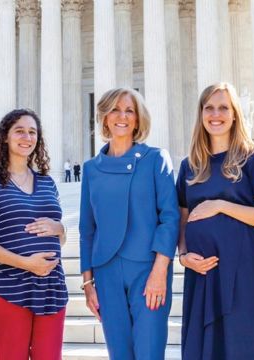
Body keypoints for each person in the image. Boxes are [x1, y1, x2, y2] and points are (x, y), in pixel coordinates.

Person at [176, 82, 254, 359]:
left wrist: (221, 206)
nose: (216, 114)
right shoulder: (189, 165)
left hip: (243, 268)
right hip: (202, 272)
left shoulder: (251, 157)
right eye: (209, 107)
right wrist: (184, 255)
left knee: (243, 342)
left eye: (223, 107)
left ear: (235, 113)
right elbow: (183, 218)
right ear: (201, 114)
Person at [79, 88, 179, 359]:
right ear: (104, 117)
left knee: (149, 352)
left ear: (137, 119)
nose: (121, 116)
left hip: (148, 271)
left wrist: (160, 270)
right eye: (114, 109)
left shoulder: (156, 159)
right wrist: (88, 284)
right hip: (106, 272)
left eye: (129, 110)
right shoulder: (90, 169)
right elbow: (87, 229)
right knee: (119, 354)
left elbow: (170, 217)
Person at [0, 108, 68, 360]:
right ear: (5, 136)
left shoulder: (47, 182)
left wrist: (60, 229)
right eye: (20, 131)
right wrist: (26, 264)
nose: (27, 137)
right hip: (8, 288)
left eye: (32, 132)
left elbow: (60, 237)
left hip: (51, 288)